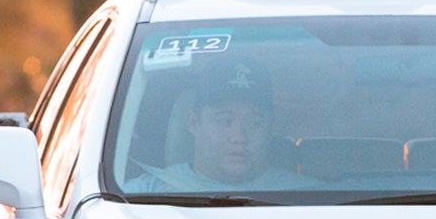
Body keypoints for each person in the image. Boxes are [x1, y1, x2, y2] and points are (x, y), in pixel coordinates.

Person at [131, 56, 306, 193]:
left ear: (270, 128)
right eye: (223, 120)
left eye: (254, 123)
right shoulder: (135, 199)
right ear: (193, 122)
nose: (239, 137)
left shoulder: (309, 197)